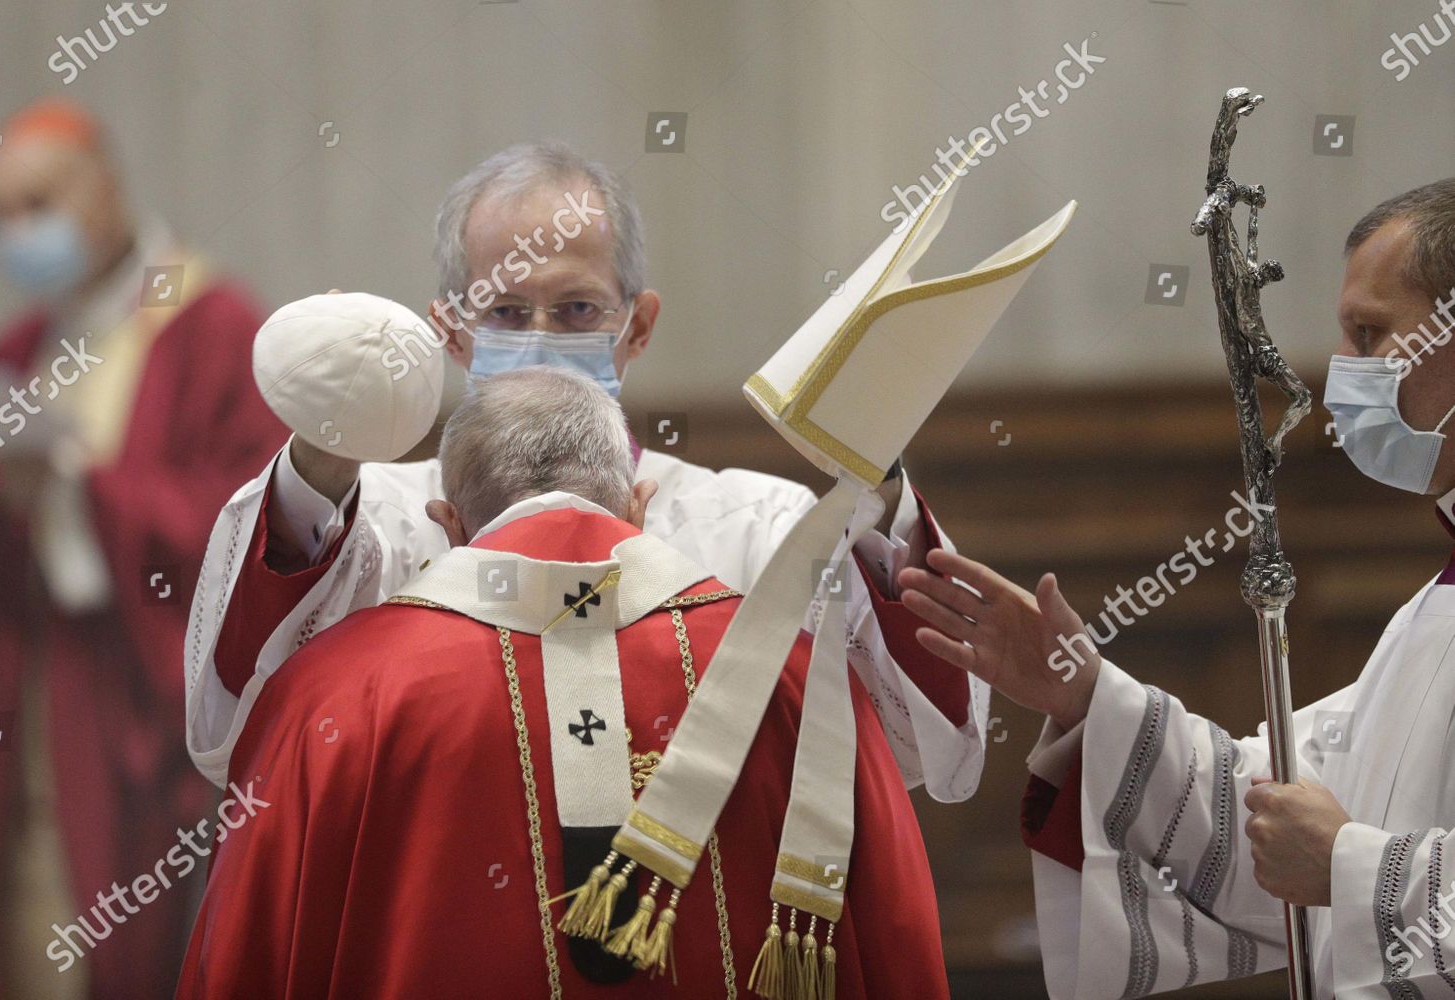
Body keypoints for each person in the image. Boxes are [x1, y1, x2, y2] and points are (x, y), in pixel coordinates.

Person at [184, 141, 988, 808]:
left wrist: (873, 480)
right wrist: (328, 441)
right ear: (453, 333)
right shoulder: (379, 517)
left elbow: (919, 745)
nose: (538, 336)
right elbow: (241, 728)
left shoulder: (756, 523)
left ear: (636, 328)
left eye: (575, 310)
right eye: (503, 312)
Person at [176, 366, 947, 999]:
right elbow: (896, 935)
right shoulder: (795, 675)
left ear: (448, 522)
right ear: (640, 508)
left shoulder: (332, 695)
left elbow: (248, 955)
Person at [897, 178, 1455, 998]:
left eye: (1372, 336)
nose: (1346, 379)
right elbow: (1279, 802)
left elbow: (1330, 842)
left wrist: (1347, 864)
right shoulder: (1432, 609)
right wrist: (1085, 694)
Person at [0, 98, 283, 1000]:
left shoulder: (213, 325)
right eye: (2, 217)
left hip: (130, 710)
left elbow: (248, 520)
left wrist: (80, 494)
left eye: (40, 205)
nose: (22, 234)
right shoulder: (20, 349)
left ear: (105, 189)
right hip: (20, 705)